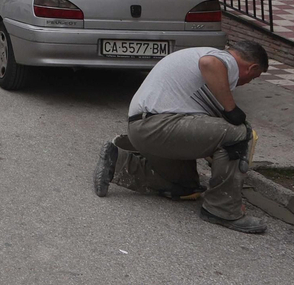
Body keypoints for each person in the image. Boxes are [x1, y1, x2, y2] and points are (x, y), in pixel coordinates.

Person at [92, 40, 270, 234]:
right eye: (253, 77)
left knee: (186, 187)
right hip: (159, 126)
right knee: (240, 133)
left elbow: (210, 138)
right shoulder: (225, 60)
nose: (247, 82)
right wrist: (231, 109)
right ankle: (222, 209)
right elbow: (209, 63)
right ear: (251, 67)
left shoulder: (198, 59)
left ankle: (118, 162)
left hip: (143, 129)